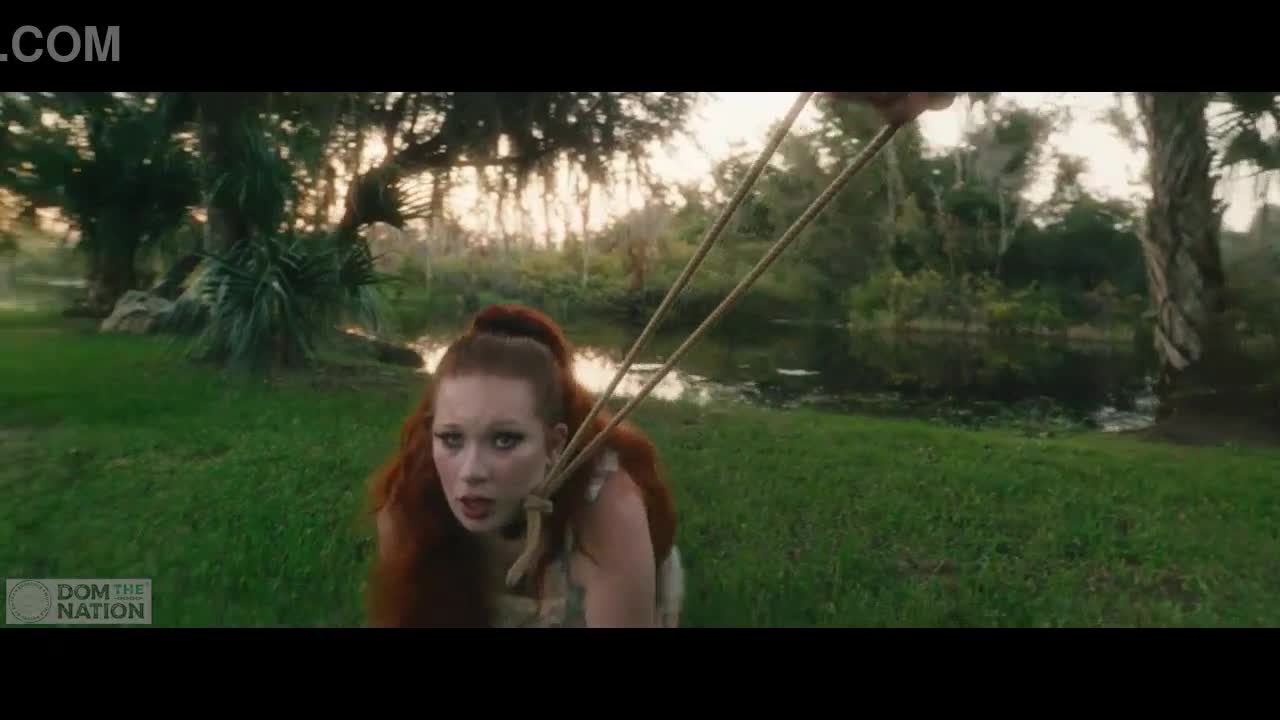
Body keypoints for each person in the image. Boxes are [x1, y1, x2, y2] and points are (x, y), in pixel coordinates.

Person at [366, 304, 682, 628]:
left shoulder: (608, 506)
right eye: (451, 438)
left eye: (505, 440)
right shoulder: (409, 508)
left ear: (554, 445)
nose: (471, 472)